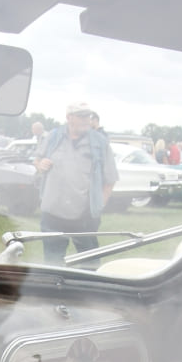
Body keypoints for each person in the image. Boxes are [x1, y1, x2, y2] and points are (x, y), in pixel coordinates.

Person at [32, 102, 117, 265]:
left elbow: (110, 179)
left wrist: (99, 206)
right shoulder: (53, 137)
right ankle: (55, 290)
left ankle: (88, 290)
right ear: (69, 117)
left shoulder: (100, 142)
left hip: (85, 215)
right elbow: (37, 160)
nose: (87, 120)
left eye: (88, 116)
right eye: (81, 116)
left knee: (90, 263)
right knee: (52, 261)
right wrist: (40, 164)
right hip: (52, 212)